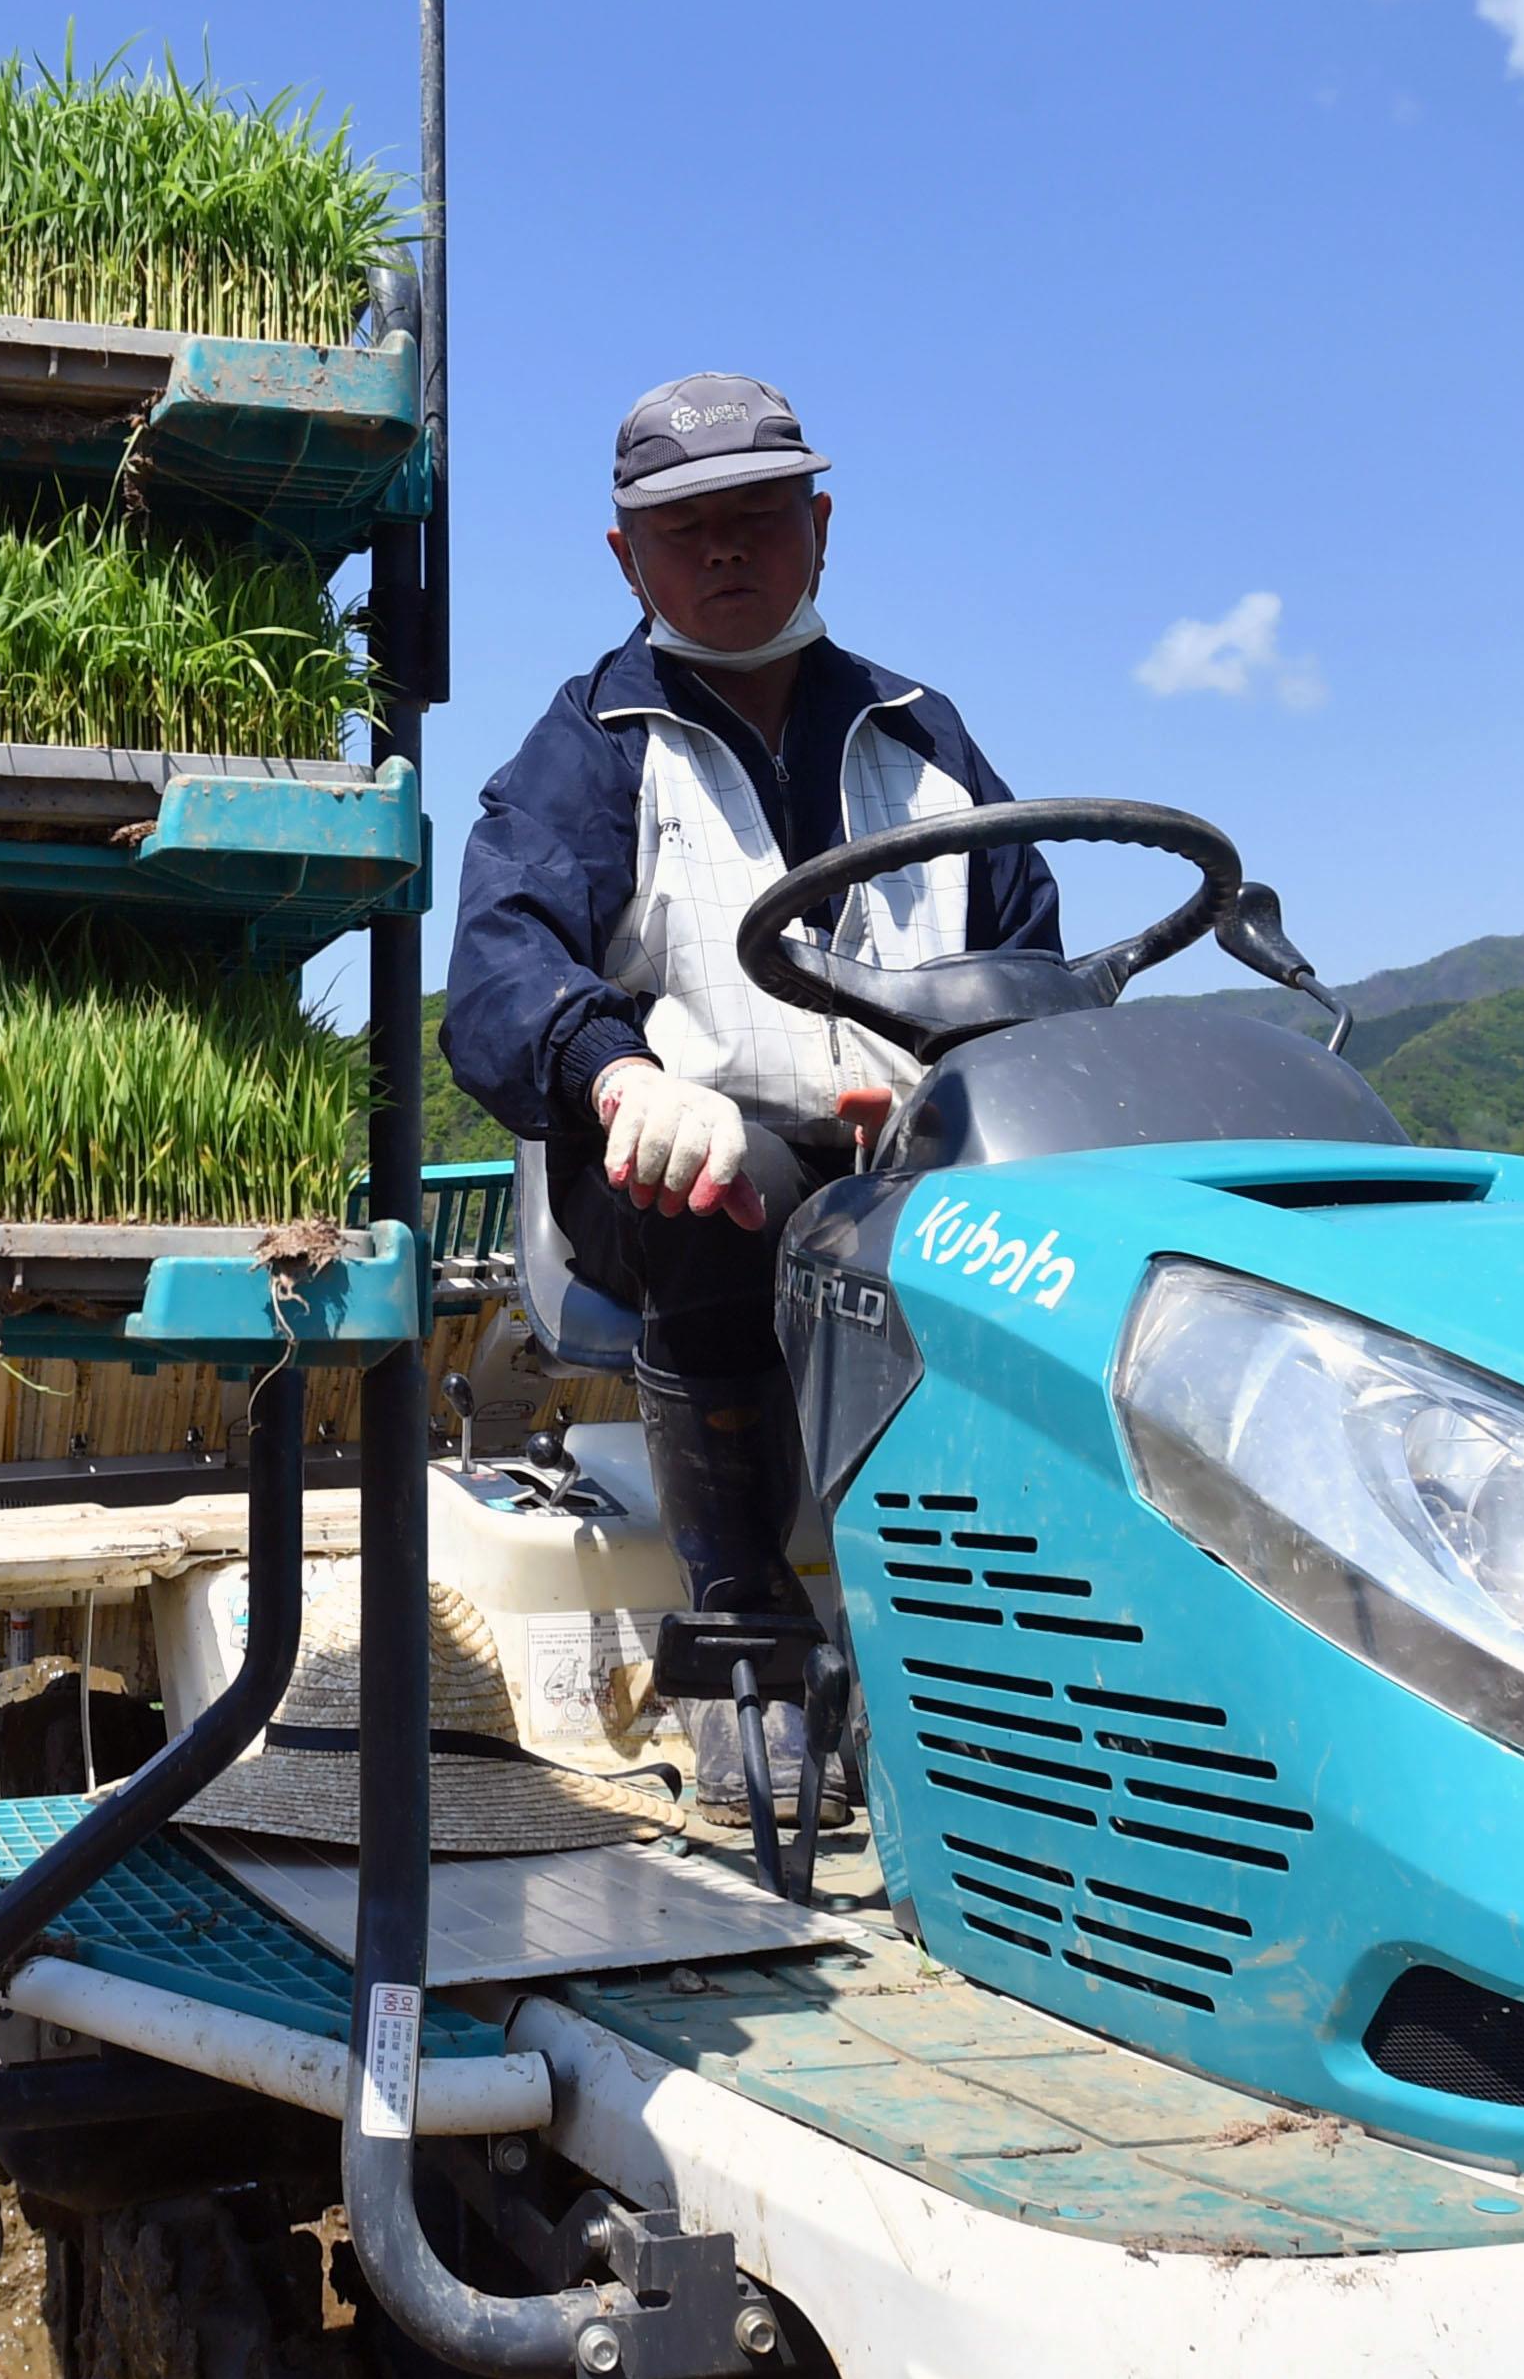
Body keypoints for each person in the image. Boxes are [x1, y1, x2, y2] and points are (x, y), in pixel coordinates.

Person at [444, 372, 1062, 1623]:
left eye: (760, 510)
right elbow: (499, 967)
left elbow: (1030, 954)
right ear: (628, 559)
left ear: (821, 526)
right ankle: (744, 1628)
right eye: (684, 524)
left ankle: (1016, 1612)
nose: (725, 542)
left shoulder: (922, 733)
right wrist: (623, 1077)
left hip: (914, 1164)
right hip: (691, 1166)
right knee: (726, 1194)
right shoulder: (596, 740)